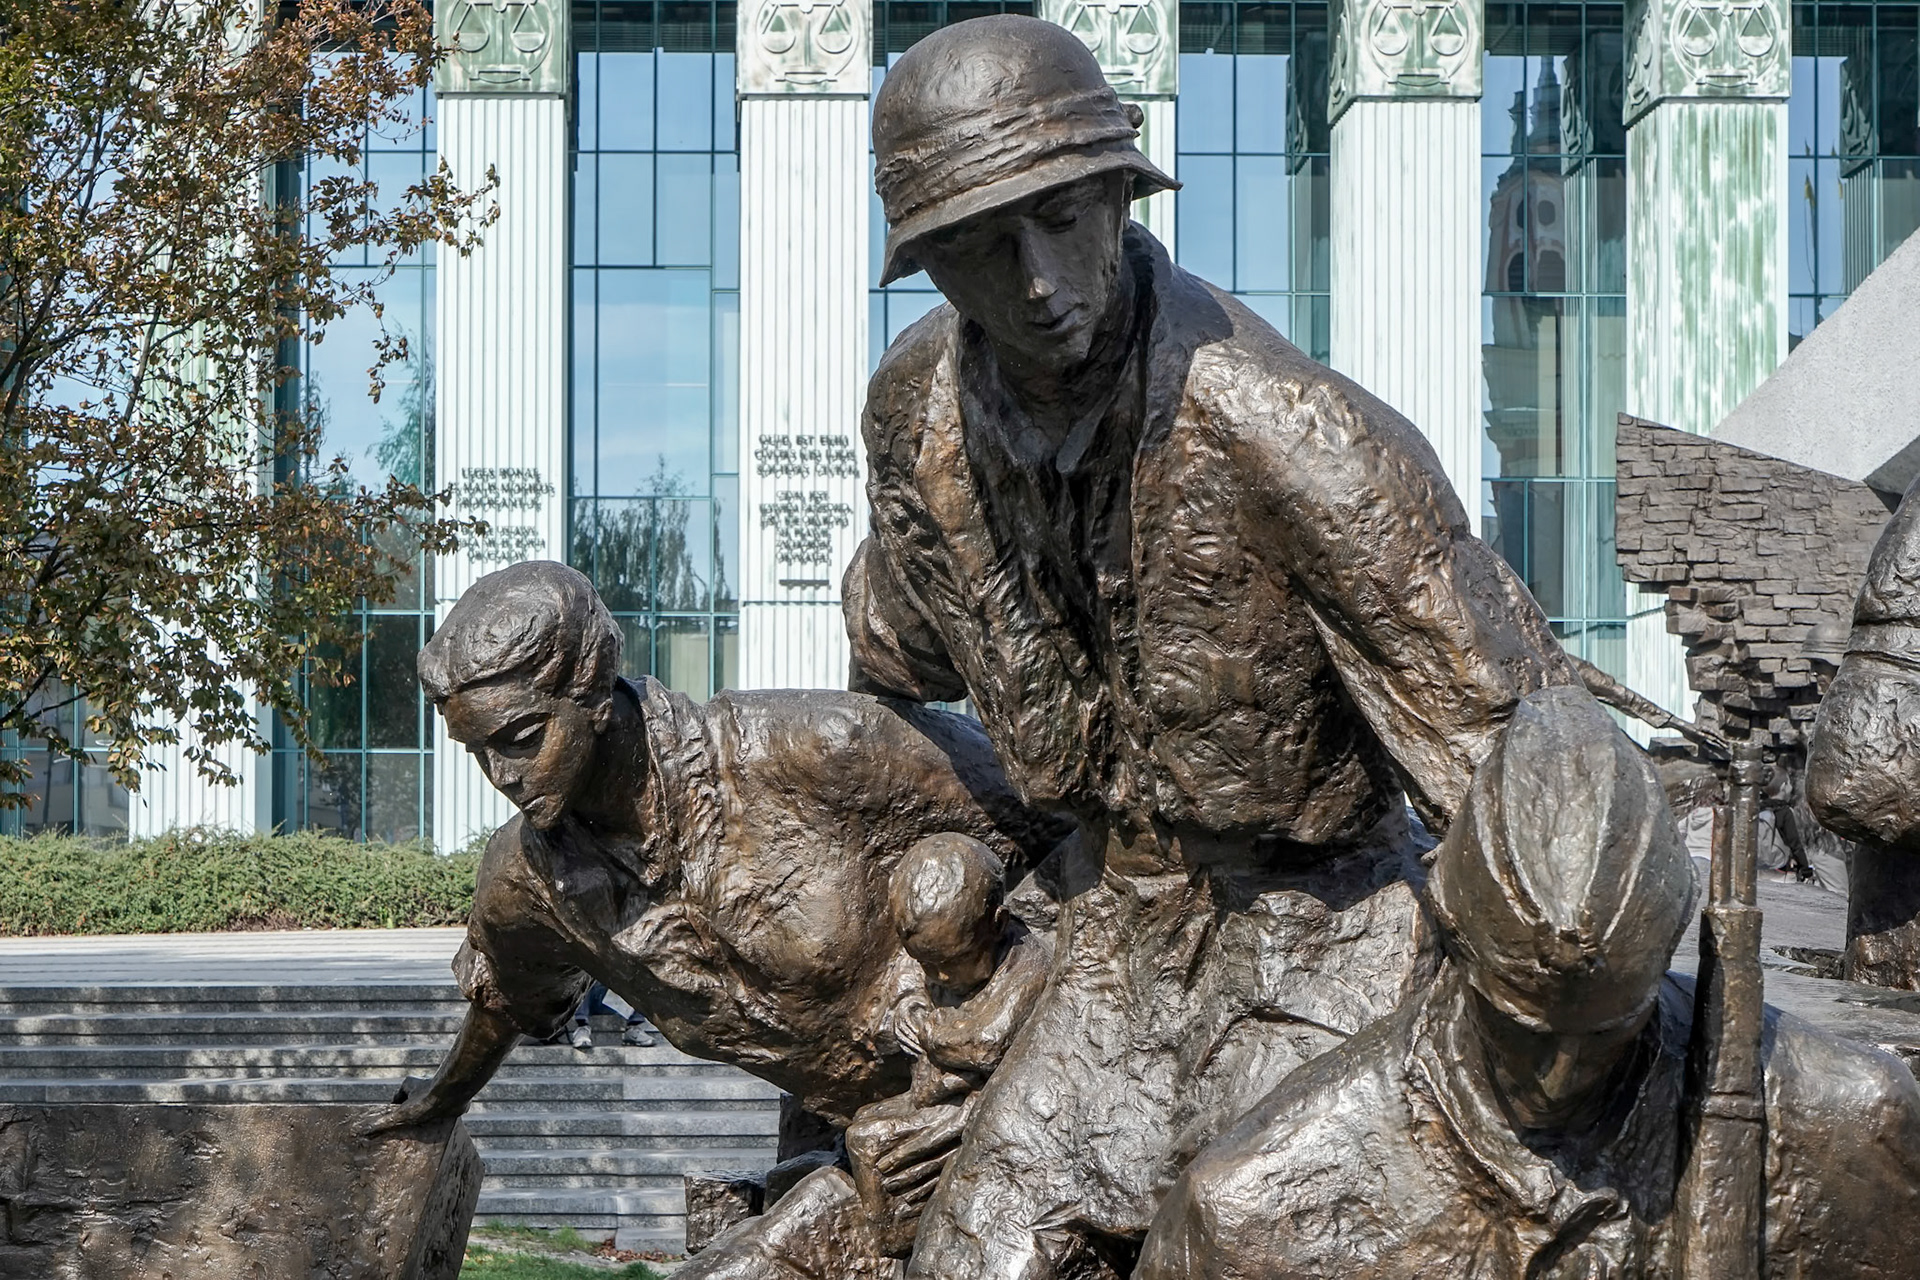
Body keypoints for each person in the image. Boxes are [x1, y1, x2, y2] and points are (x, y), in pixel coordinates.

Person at [844, 14, 1576, 1273]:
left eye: (1064, 218)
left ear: (1123, 197)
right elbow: (894, 648)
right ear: (927, 265)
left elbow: (1526, 778)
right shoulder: (915, 416)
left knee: (1236, 1239)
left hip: (1323, 929)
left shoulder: (1298, 437)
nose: (1033, 280)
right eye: (975, 249)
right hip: (1111, 927)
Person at [1136, 687, 1920, 1278]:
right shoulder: (1254, 1213)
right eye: (1522, 1030)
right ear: (1446, 923)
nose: (1559, 1076)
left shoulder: (1847, 1127)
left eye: (1607, 1034)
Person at [359, 561, 1067, 1137]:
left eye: (521, 739)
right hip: (858, 1138)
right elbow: (507, 1002)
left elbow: (1065, 831)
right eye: (476, 751)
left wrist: (987, 1020)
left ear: (595, 694)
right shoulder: (528, 881)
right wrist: (437, 1101)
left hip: (1036, 1074)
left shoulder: (821, 750)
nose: (503, 777)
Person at [848, 833, 1052, 1255]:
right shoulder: (935, 955)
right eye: (928, 964)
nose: (938, 977)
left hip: (981, 1109)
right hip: (937, 1096)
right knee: (864, 1121)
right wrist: (908, 1009)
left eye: (950, 964)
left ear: (995, 923)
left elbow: (986, 1044)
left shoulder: (1028, 963)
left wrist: (927, 1031)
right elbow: (907, 990)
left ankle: (893, 1240)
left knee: (866, 1141)